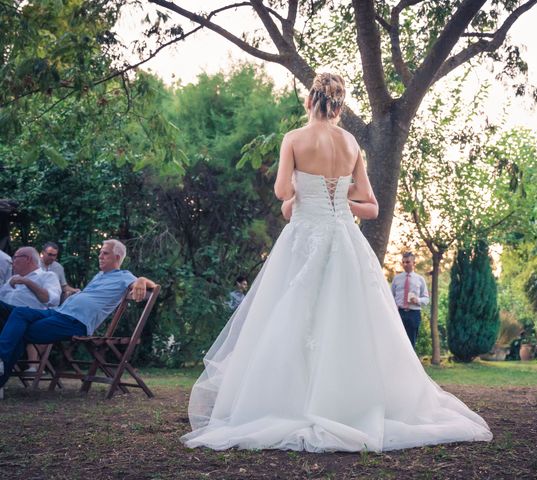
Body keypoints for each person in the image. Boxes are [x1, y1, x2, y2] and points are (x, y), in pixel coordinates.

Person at [181, 73, 491, 452]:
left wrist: (300, 190)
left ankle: (290, 401)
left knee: (294, 316)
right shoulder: (351, 143)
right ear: (340, 107)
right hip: (344, 239)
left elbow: (281, 192)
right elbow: (372, 207)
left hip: (305, 239)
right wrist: (341, 199)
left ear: (309, 101)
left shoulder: (293, 139)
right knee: (348, 319)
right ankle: (350, 402)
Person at [0, 239, 156, 395]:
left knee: (20, 331)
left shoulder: (124, 276)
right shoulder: (100, 275)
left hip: (76, 322)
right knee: (19, 313)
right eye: (100, 252)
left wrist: (141, 280)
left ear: (117, 257)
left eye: (105, 253)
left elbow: (153, 287)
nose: (100, 256)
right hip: (59, 312)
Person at [0, 246, 61, 373]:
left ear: (27, 259)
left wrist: (28, 282)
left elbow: (52, 300)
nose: (12, 261)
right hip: (6, 318)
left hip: (26, 317)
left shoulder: (47, 276)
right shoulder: (12, 279)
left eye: (15, 257)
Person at [391, 252, 430, 348]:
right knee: (396, 341)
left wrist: (418, 300)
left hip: (414, 314)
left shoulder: (420, 279)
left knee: (411, 343)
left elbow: (426, 299)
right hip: (399, 313)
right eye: (403, 262)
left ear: (414, 263)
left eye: (408, 262)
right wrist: (393, 306)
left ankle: (408, 363)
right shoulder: (396, 279)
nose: (405, 264)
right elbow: (391, 297)